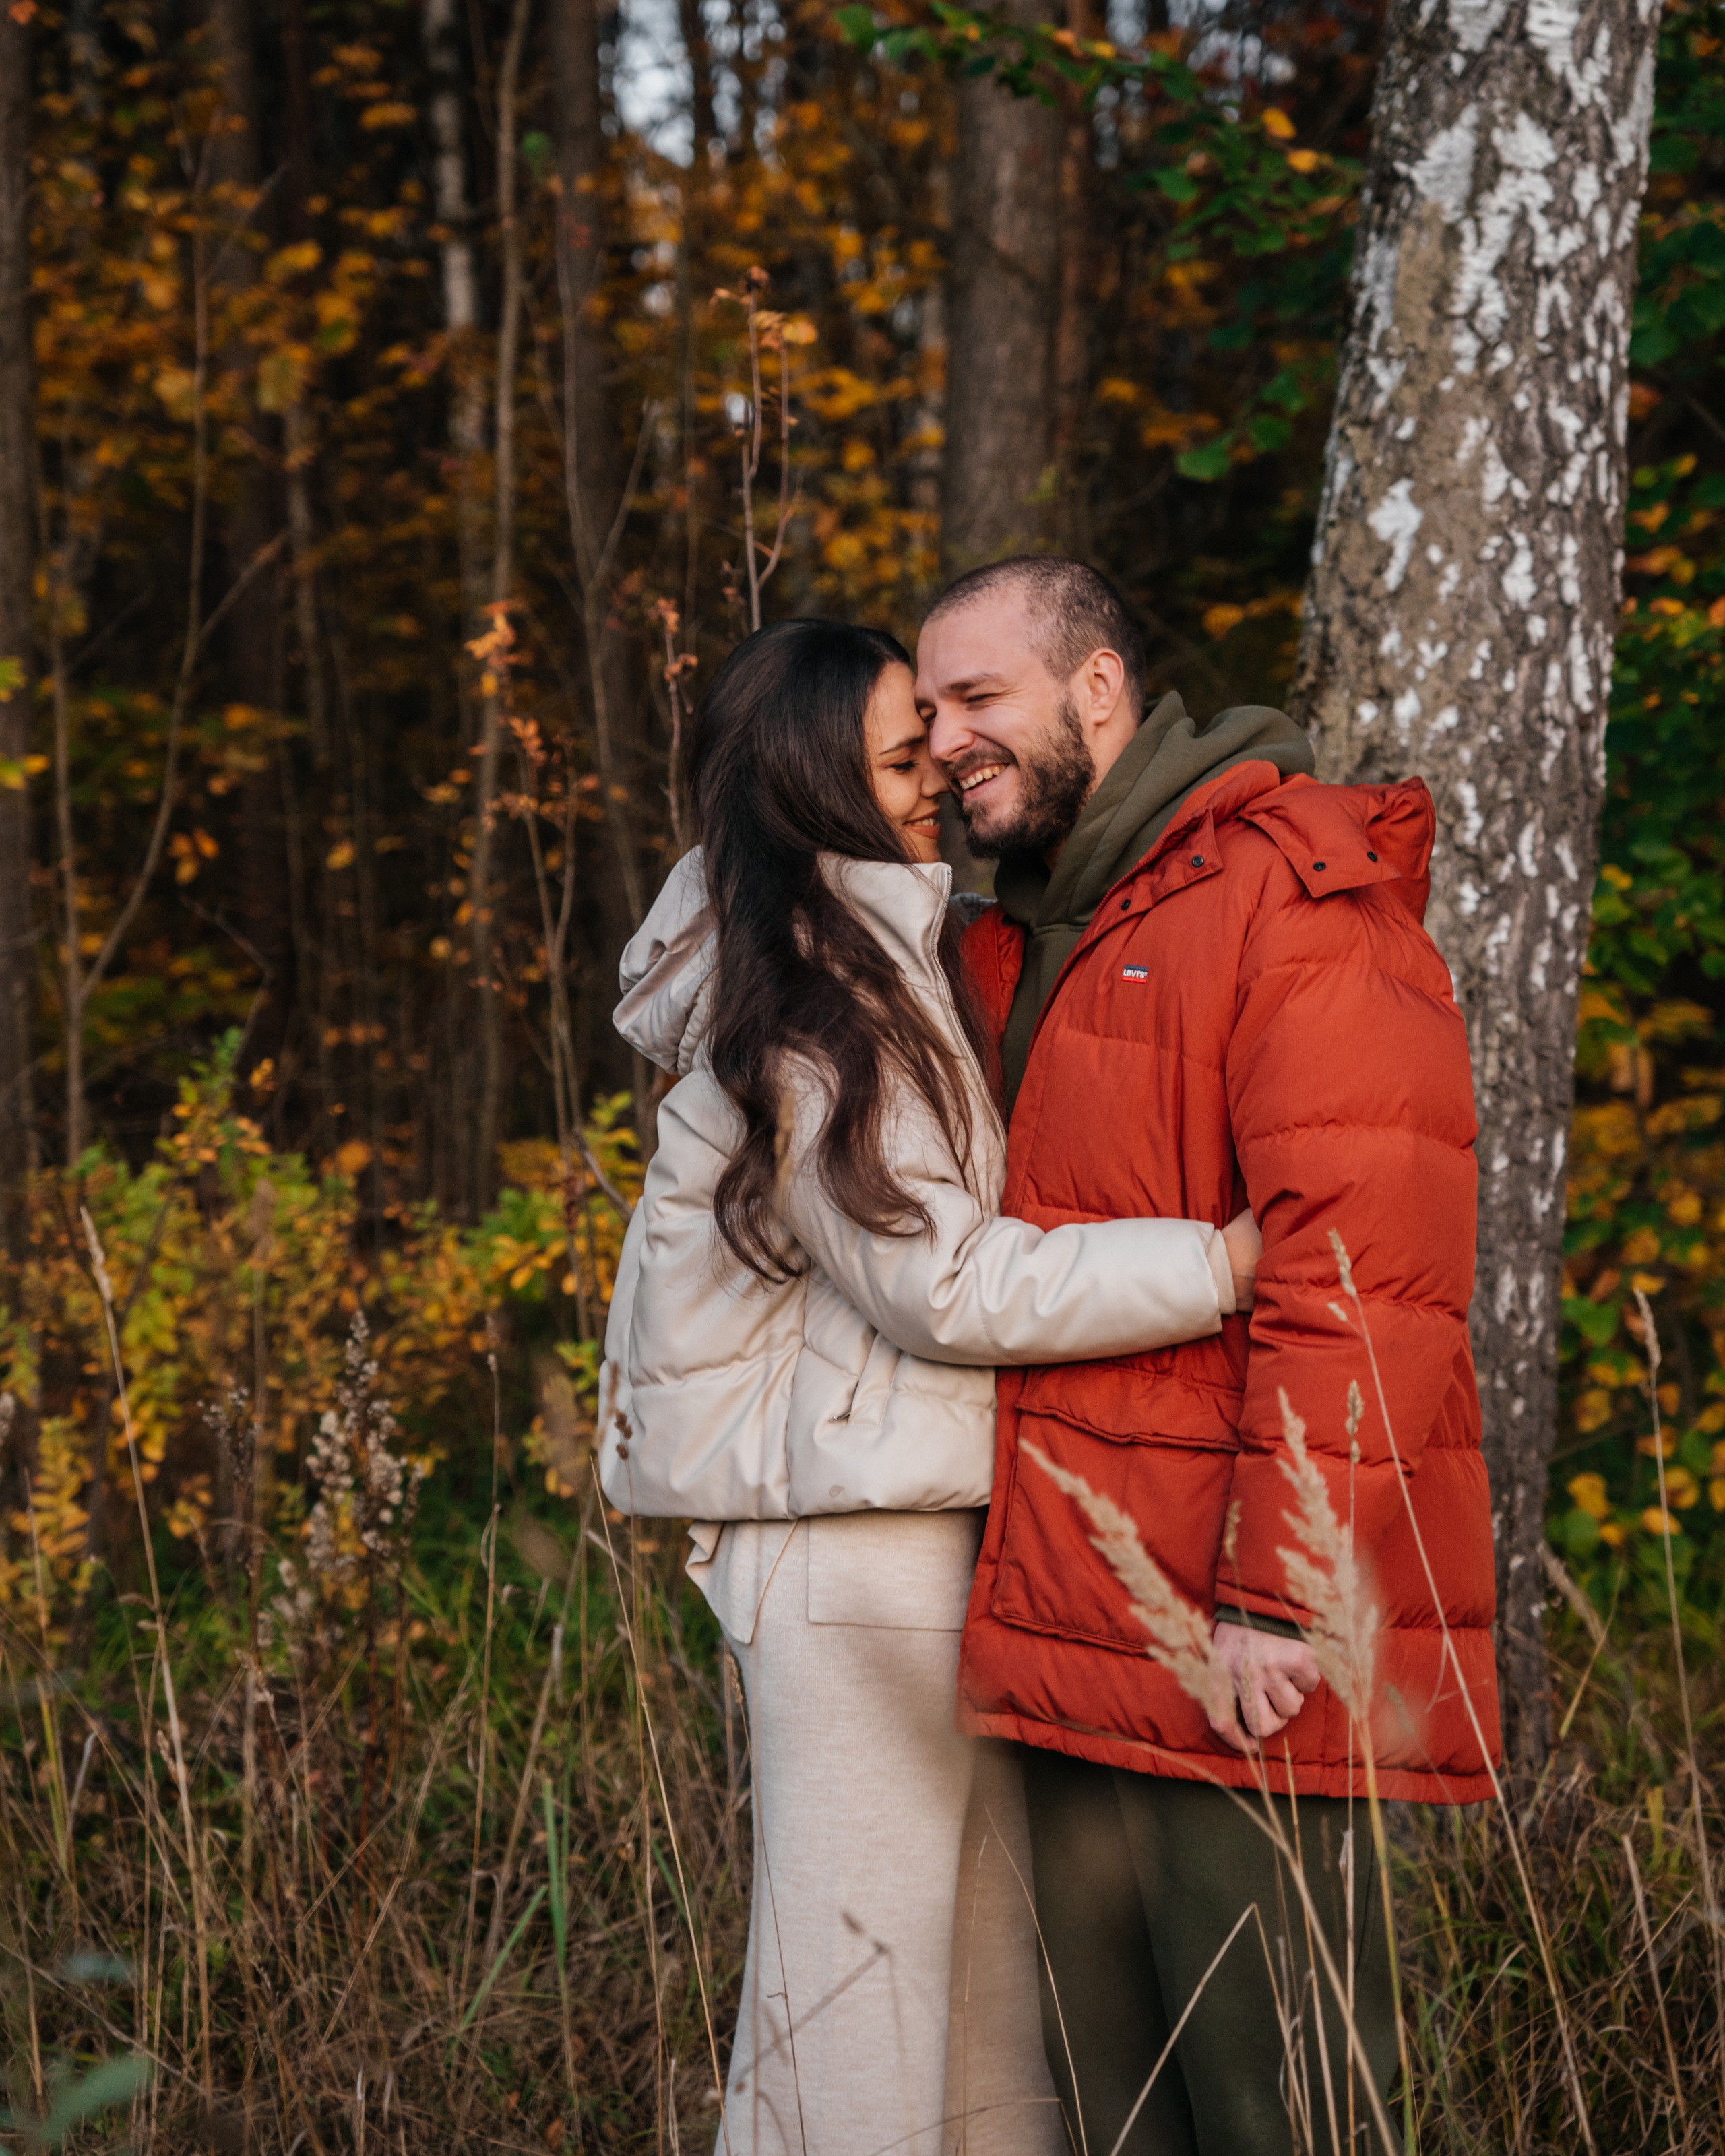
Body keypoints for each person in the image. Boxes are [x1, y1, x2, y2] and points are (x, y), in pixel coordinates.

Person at [598, 618, 1263, 2156]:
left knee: (964, 2025)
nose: (937, 783)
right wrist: (1215, 1266)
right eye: (899, 760)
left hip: (903, 1539)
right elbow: (939, 1281)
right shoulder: (818, 1006)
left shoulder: (872, 958)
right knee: (857, 2012)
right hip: (846, 1557)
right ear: (821, 786)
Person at [919, 557, 1501, 2156]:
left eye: (978, 698)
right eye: (926, 712)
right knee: (1113, 2107)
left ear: (1095, 687)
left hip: (1239, 1637)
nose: (946, 737)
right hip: (1068, 1626)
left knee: (1283, 2104)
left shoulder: (1286, 894)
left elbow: (1367, 1275)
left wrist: (1273, 1593)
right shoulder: (1018, 931)